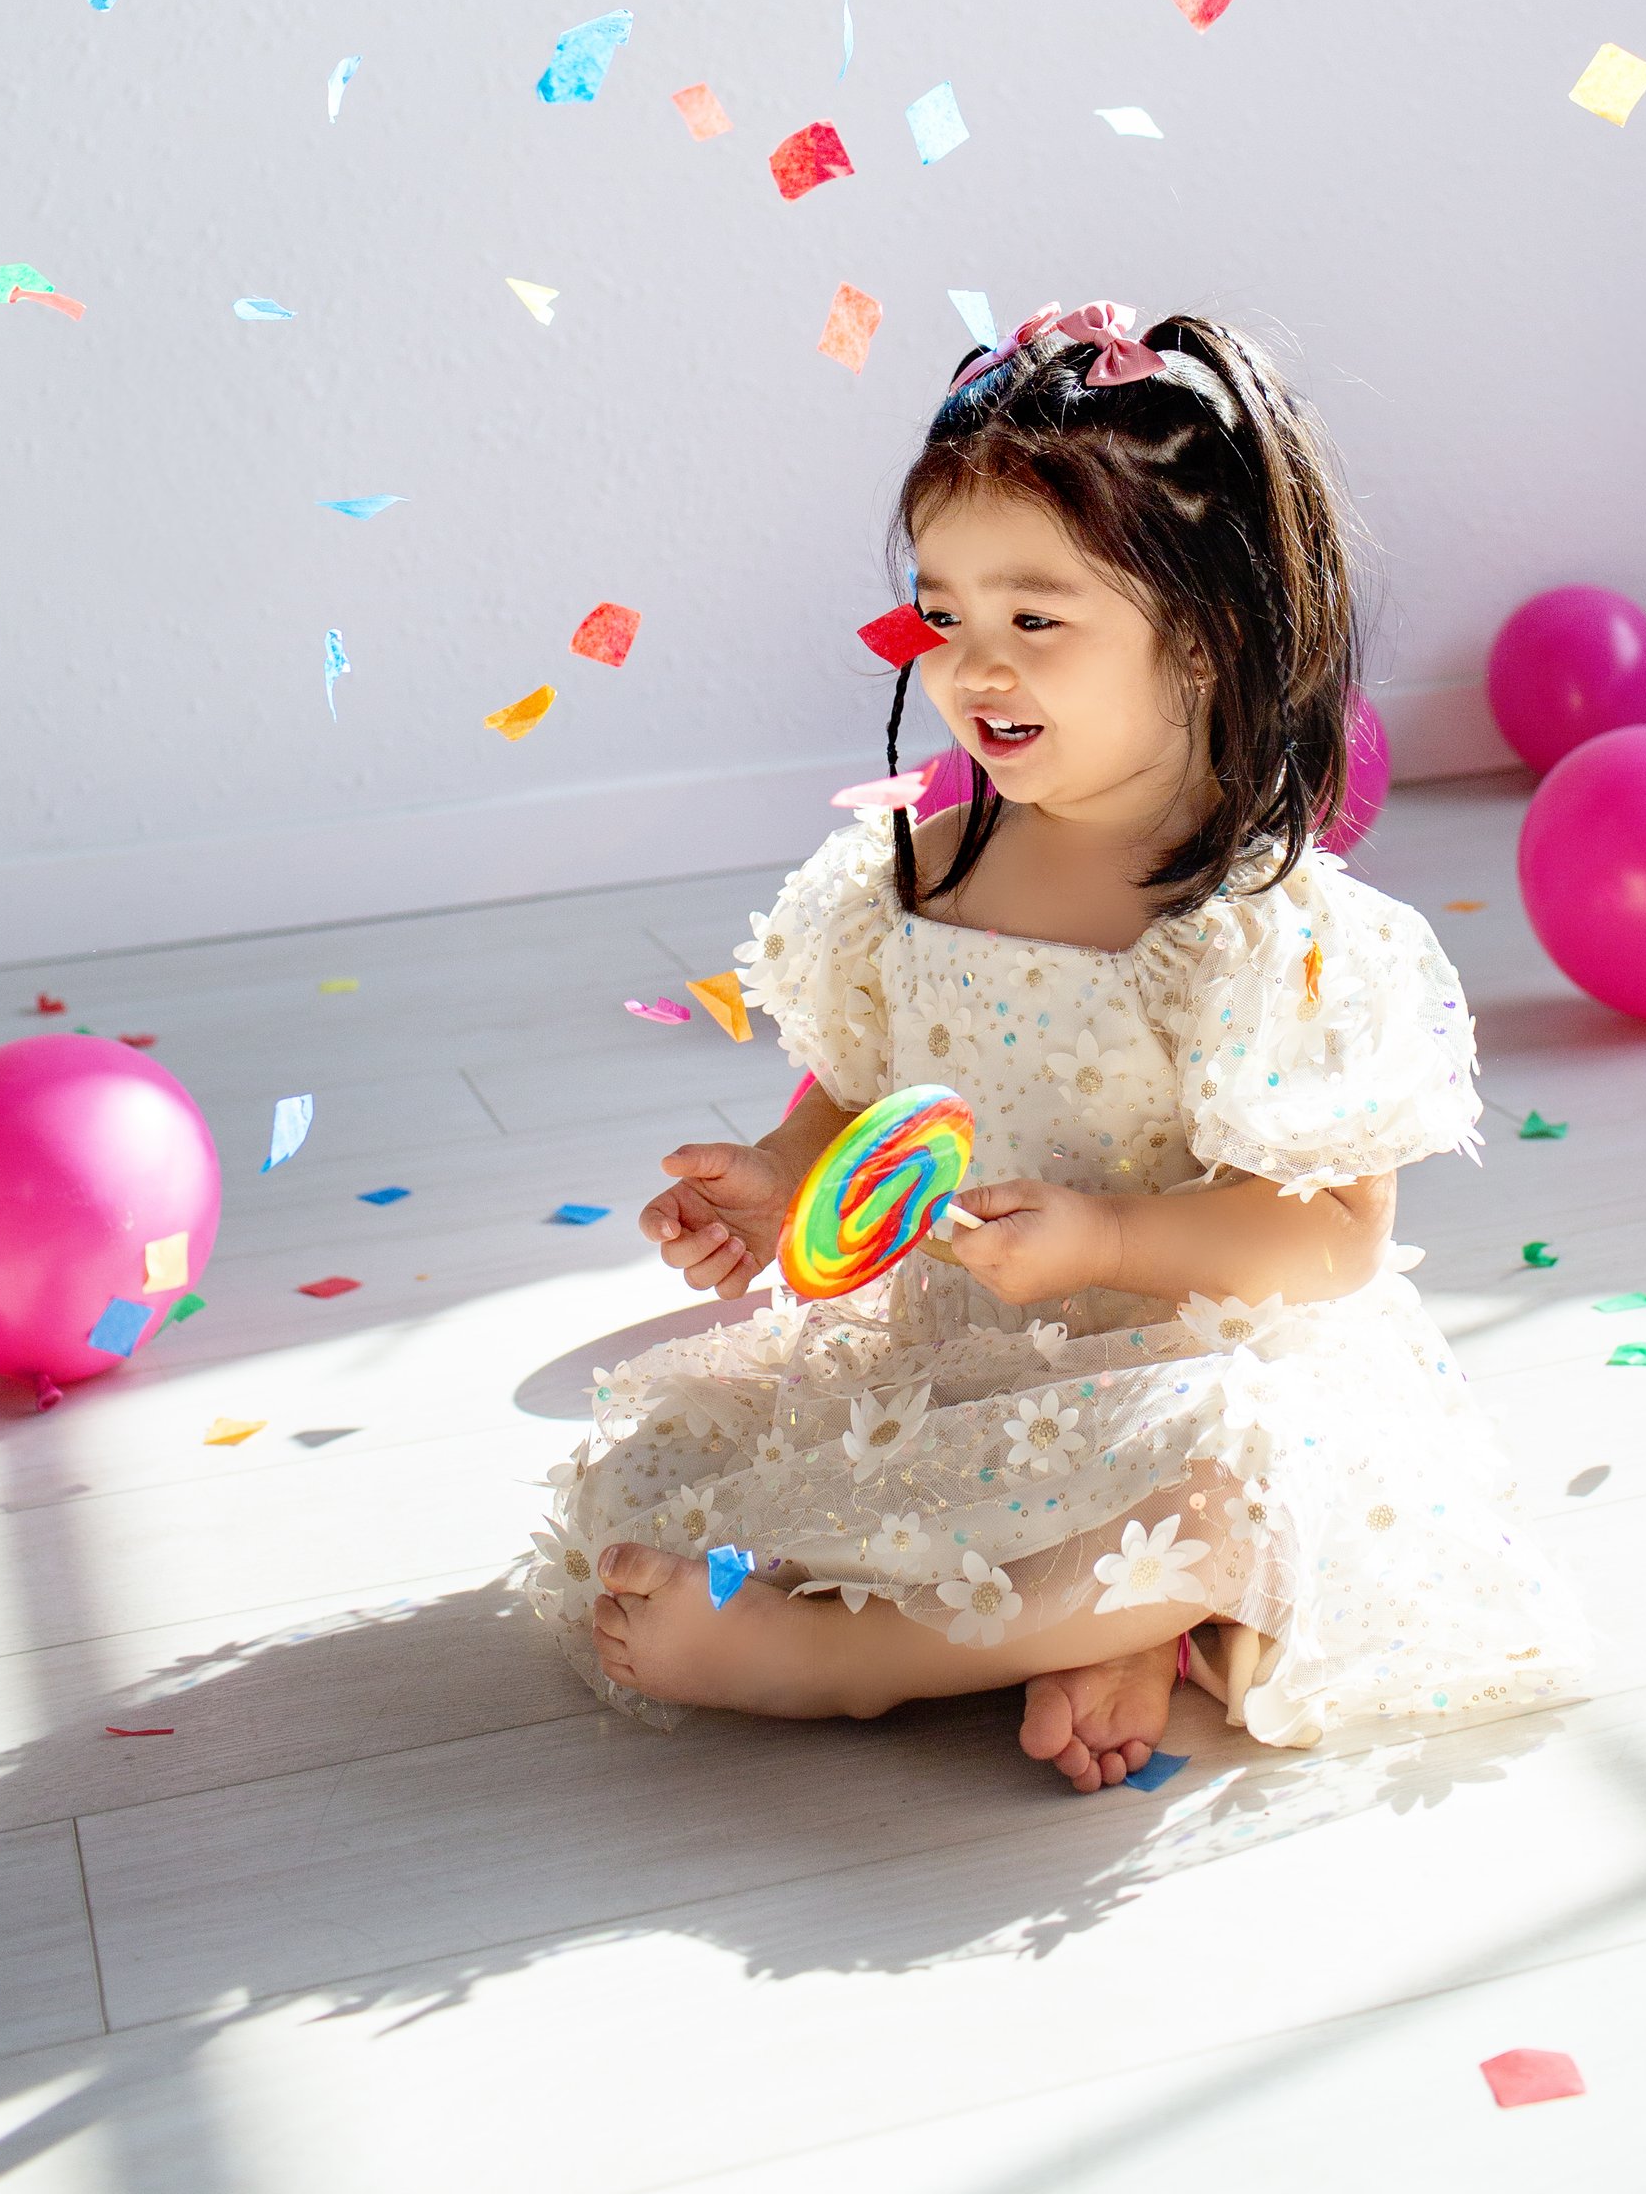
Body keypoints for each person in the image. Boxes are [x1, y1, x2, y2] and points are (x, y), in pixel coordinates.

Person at [528, 304, 1586, 1787]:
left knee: (1241, 1482)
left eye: (1037, 620)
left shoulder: (1259, 927)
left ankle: (851, 1661)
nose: (977, 666)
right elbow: (862, 1086)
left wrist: (1106, 1234)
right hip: (971, 1359)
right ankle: (1094, 1623)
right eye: (945, 613)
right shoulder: (919, 872)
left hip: (1193, 1357)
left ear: (1210, 638)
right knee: (679, 1490)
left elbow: (1338, 1235)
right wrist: (780, 1179)